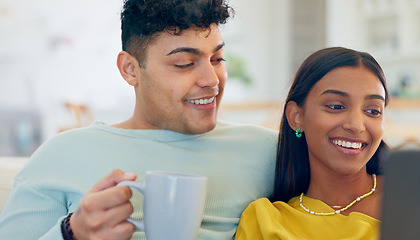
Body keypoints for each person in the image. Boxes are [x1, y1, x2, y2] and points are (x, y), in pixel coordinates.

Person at [0, 1, 278, 239]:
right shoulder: (60, 155)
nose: (212, 80)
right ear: (130, 69)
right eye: (184, 64)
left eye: (217, 58)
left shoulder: (269, 150)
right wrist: (72, 232)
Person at [234, 47, 389, 240]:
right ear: (296, 117)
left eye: (373, 111)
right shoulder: (265, 222)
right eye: (336, 106)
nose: (356, 126)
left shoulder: (417, 197)